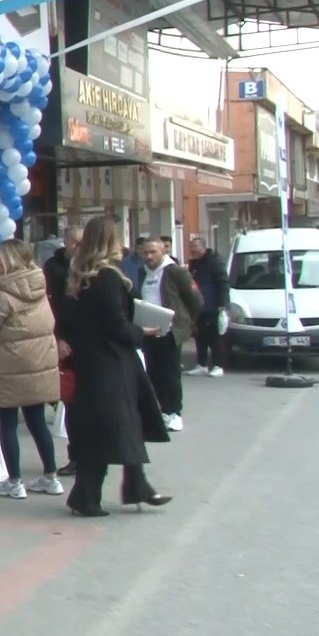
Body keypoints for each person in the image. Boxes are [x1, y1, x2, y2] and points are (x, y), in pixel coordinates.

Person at [61, 216, 172, 517]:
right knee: (117, 425)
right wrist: (143, 333)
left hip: (90, 362)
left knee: (118, 425)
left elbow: (69, 321)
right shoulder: (107, 277)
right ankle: (90, 495)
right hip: (112, 362)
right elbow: (116, 325)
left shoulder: (77, 276)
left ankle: (130, 486)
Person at [0, 239, 63, 500]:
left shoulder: (1, 294)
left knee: (7, 423)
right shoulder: (38, 286)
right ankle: (51, 476)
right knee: (36, 421)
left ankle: (14, 481)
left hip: (7, 367)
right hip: (37, 364)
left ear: (10, 261)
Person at [136, 238, 202, 433]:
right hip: (149, 331)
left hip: (171, 332)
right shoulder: (142, 273)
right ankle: (161, 412)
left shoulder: (175, 271)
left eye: (153, 252)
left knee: (170, 374)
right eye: (145, 252)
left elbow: (196, 299)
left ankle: (174, 413)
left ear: (162, 251)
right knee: (153, 373)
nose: (149, 256)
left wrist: (186, 322)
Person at [44, 226, 81, 477]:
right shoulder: (54, 267)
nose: (78, 247)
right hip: (63, 337)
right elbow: (51, 304)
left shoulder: (89, 267)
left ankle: (87, 454)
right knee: (70, 399)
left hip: (86, 341)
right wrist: (57, 337)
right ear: (66, 243)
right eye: (74, 243)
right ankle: (75, 456)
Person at [186, 237, 229, 377]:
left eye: (196, 247)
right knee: (200, 336)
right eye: (191, 247)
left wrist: (222, 305)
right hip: (198, 307)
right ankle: (201, 364)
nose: (193, 250)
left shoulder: (214, 262)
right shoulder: (193, 264)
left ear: (203, 247)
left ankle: (218, 365)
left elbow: (223, 283)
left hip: (213, 306)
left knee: (215, 337)